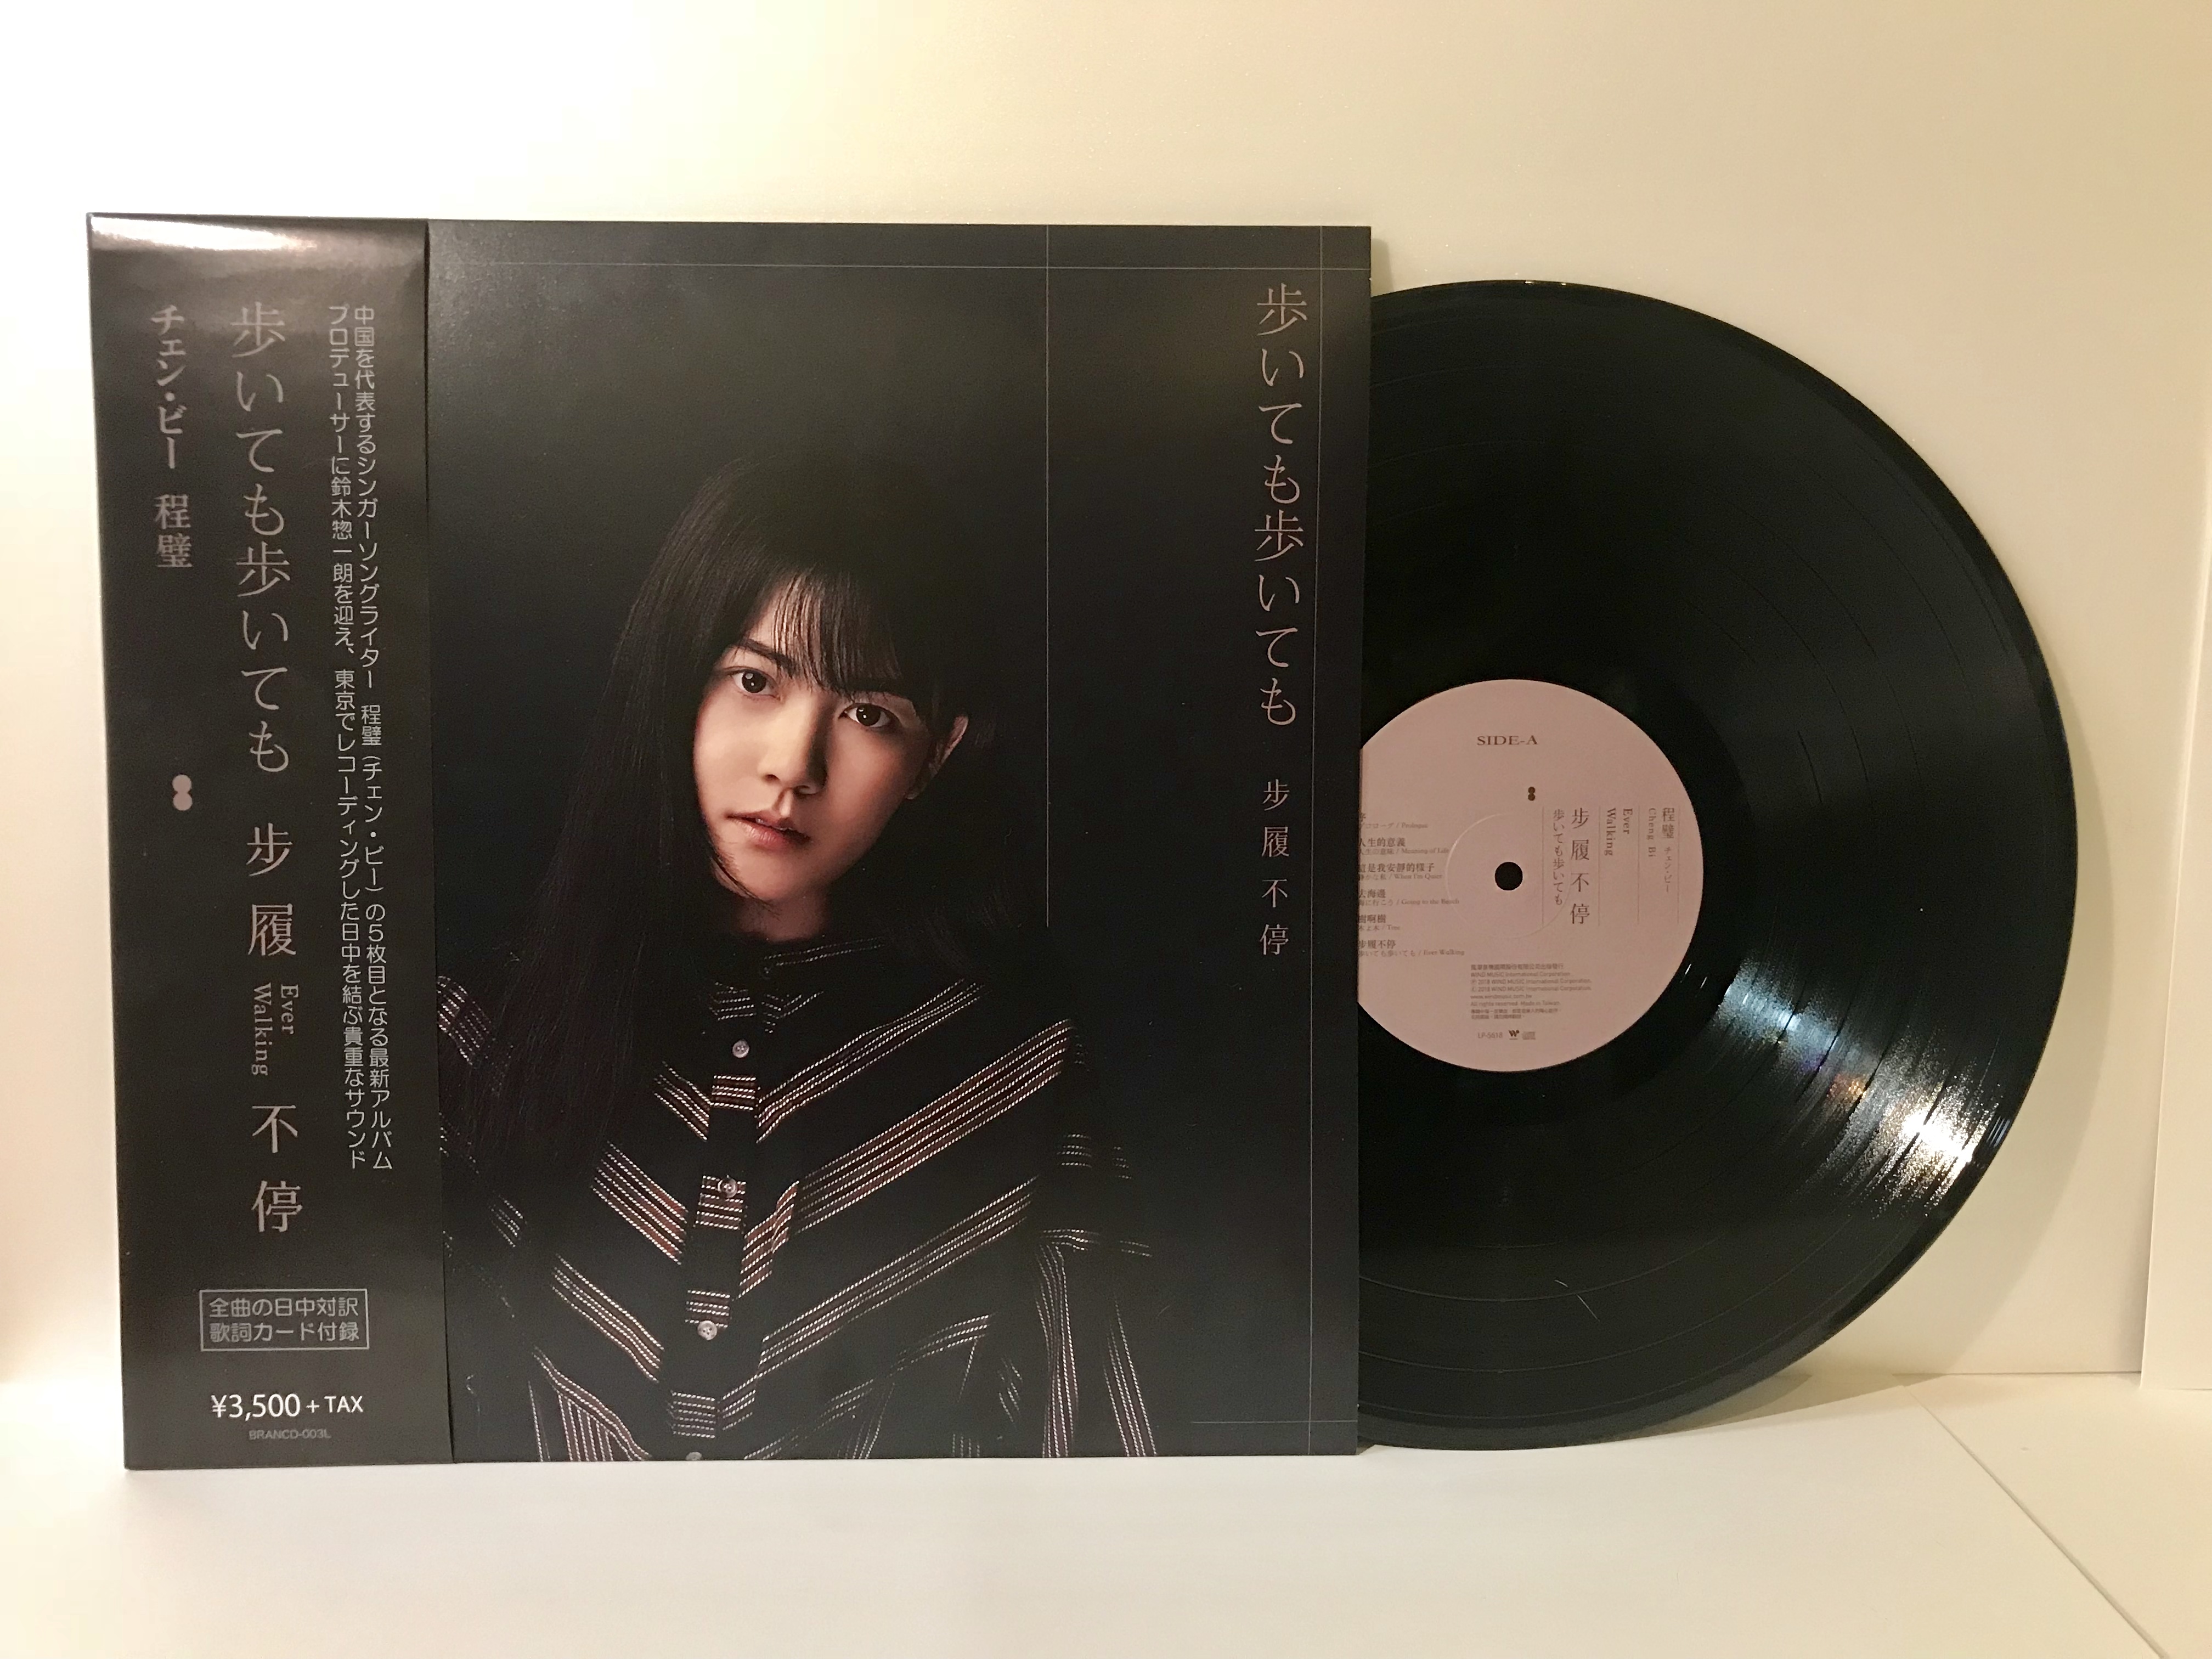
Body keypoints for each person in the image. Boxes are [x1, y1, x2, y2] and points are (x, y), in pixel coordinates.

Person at [437, 455, 1157, 1460]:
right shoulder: (482, 1029)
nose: (794, 765)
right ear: (674, 687)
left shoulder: (1014, 1066)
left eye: (870, 715)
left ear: (936, 757)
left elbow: (1100, 1462)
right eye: (754, 680)